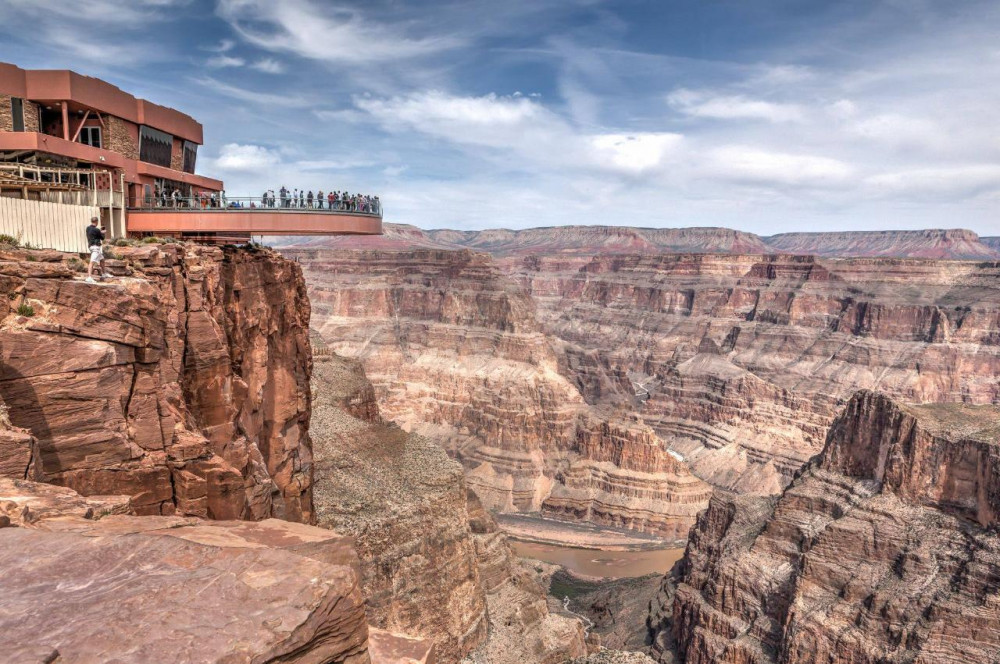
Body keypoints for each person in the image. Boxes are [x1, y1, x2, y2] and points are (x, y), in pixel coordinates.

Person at [85, 217, 108, 283]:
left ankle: (104, 274)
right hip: (96, 247)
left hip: (91, 246)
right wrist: (103, 232)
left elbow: (94, 233)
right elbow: (102, 238)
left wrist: (99, 231)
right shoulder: (97, 230)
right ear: (97, 221)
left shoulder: (88, 228)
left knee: (102, 260)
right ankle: (89, 277)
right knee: (92, 262)